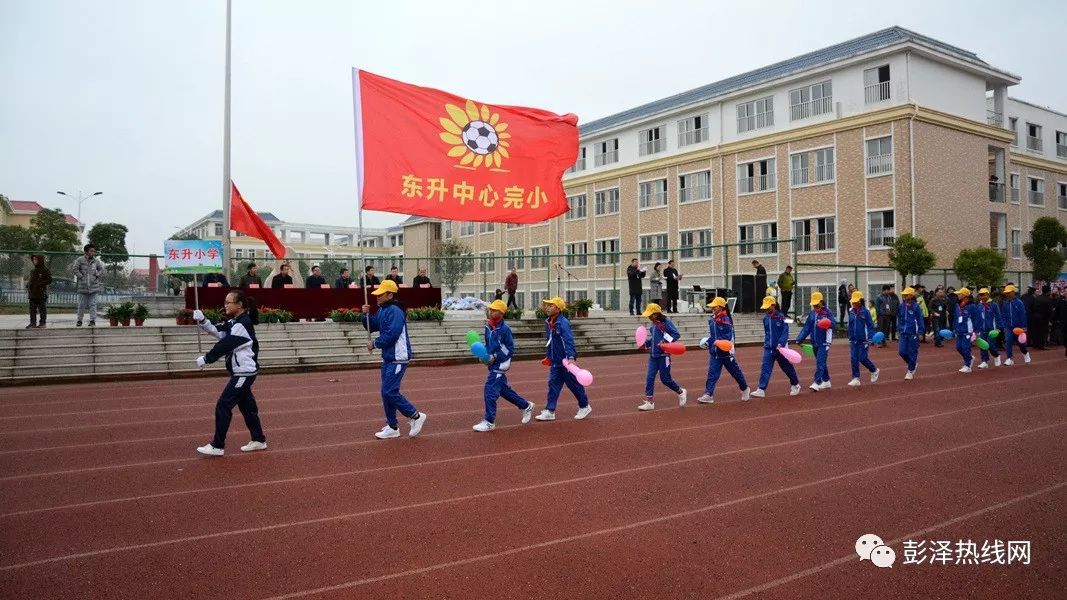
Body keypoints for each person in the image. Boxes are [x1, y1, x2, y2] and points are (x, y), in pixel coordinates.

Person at [192, 290, 268, 456]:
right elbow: (219, 332)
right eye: (225, 302)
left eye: (228, 302)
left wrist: (207, 358)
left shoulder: (243, 323)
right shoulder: (234, 322)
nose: (225, 305)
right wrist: (203, 320)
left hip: (244, 373)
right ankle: (259, 440)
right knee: (247, 407)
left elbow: (226, 344)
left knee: (224, 404)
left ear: (239, 305)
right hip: (241, 372)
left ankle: (217, 445)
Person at [361, 280, 427, 438]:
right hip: (389, 357)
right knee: (386, 393)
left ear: (390, 295)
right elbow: (373, 325)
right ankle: (392, 427)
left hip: (399, 356)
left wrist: (375, 343)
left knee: (389, 391)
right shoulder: (383, 310)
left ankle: (415, 415)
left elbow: (393, 334)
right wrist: (365, 315)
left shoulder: (395, 311)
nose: (377, 297)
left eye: (381, 294)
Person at [472, 300, 535, 431]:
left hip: (501, 363)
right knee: (503, 390)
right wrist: (484, 355)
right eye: (490, 309)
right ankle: (526, 406)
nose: (490, 312)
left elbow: (509, 348)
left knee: (489, 390)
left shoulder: (505, 329)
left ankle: (489, 421)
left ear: (501, 313)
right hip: (493, 362)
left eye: (494, 310)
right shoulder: (488, 326)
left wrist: (495, 356)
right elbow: (488, 345)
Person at [535, 297, 592, 421]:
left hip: (565, 361)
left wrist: (571, 356)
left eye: (551, 305)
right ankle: (550, 410)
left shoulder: (563, 322)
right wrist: (549, 356)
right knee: (553, 385)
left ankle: (584, 406)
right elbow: (550, 341)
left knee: (574, 385)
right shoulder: (548, 322)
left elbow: (568, 340)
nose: (547, 307)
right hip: (555, 361)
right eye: (547, 305)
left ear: (558, 308)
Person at [697, 297, 750, 403]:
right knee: (712, 374)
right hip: (715, 353)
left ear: (721, 307)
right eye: (711, 306)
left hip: (726, 353)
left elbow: (728, 336)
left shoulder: (726, 320)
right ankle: (708, 394)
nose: (712, 308)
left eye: (714, 306)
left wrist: (719, 342)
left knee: (735, 372)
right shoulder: (712, 320)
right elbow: (713, 337)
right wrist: (708, 343)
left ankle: (745, 388)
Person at [636, 303, 687, 411]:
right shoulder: (653, 325)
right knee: (649, 378)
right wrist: (645, 344)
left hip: (664, 356)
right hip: (653, 356)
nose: (649, 317)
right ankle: (650, 402)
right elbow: (654, 339)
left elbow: (676, 334)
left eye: (651, 314)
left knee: (665, 379)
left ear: (657, 313)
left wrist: (665, 341)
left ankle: (681, 391)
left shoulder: (666, 322)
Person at [751, 296, 801, 398]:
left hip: (781, 349)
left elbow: (785, 332)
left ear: (774, 305)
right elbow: (767, 333)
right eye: (765, 307)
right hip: (769, 348)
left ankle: (795, 384)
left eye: (768, 307)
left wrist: (781, 343)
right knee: (765, 368)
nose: (766, 309)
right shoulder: (765, 318)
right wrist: (767, 343)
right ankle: (761, 389)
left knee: (786, 367)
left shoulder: (783, 318)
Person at [796, 291, 836, 391]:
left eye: (817, 304)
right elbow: (807, 328)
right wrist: (800, 338)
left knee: (820, 362)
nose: (815, 306)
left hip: (824, 342)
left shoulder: (827, 312)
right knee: (821, 362)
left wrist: (826, 323)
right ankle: (826, 381)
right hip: (814, 342)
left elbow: (833, 324)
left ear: (822, 302)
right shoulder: (812, 314)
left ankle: (817, 382)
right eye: (813, 305)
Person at [846, 290, 879, 387]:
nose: (853, 303)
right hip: (853, 339)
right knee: (853, 358)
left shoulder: (866, 312)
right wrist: (850, 336)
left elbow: (870, 326)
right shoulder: (851, 312)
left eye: (855, 301)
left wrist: (870, 338)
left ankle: (874, 370)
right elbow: (850, 325)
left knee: (862, 358)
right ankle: (856, 378)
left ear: (860, 301)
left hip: (863, 339)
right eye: (852, 301)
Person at [69, 243, 105, 327]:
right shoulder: (80, 260)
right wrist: (81, 277)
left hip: (94, 287)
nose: (93, 253)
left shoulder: (96, 261)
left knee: (93, 304)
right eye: (91, 251)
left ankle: (92, 321)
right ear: (86, 252)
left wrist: (97, 275)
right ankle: (79, 320)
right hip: (83, 287)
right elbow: (75, 269)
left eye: (94, 251)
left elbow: (101, 269)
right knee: (81, 305)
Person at [1000, 284, 1031, 365]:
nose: (1007, 294)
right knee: (1008, 342)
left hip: (1018, 327)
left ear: (1013, 292)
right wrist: (1004, 324)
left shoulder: (1019, 303)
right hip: (1008, 327)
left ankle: (1025, 354)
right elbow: (1003, 314)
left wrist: (1024, 326)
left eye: (1009, 292)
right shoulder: (1005, 303)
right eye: (1006, 293)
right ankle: (1009, 358)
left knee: (1021, 344)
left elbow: (1023, 315)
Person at [897, 287, 924, 380]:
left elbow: (920, 320)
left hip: (913, 334)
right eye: (903, 294)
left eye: (906, 294)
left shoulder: (916, 306)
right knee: (902, 352)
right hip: (903, 333)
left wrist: (920, 332)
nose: (903, 296)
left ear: (911, 296)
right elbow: (899, 318)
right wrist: (899, 329)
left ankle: (910, 371)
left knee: (912, 352)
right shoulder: (901, 306)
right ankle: (912, 364)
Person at [952, 287, 980, 373]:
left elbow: (977, 319)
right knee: (958, 348)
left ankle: (968, 365)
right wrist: (954, 328)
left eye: (959, 294)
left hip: (968, 331)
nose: (958, 296)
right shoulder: (958, 305)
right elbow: (956, 318)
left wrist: (976, 331)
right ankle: (969, 358)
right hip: (959, 330)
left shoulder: (972, 306)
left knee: (965, 348)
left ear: (964, 296)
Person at [974, 287, 1002, 368]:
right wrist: (976, 330)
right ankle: (984, 361)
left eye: (983, 295)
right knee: (983, 346)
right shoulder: (979, 305)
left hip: (992, 330)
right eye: (980, 295)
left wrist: (998, 328)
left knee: (991, 345)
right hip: (982, 329)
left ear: (988, 295)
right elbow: (977, 318)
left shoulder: (993, 305)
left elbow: (998, 317)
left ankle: (996, 356)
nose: (982, 297)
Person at [26, 254, 52, 328]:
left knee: (42, 309)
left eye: (36, 259)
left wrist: (40, 284)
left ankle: (42, 323)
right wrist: (28, 285)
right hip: (32, 293)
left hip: (41, 293)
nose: (34, 261)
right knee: (32, 309)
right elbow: (31, 280)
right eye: (33, 259)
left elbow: (49, 280)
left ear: (40, 260)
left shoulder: (45, 270)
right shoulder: (33, 270)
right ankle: (33, 323)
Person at [1030, 285, 1052, 350]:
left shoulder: (1037, 298)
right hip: (1043, 318)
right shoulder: (1047, 300)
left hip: (1035, 316)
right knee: (1043, 332)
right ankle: (1041, 345)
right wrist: (1050, 319)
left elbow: (1032, 307)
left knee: (1036, 331)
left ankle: (1035, 345)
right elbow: (1049, 311)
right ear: (1048, 292)